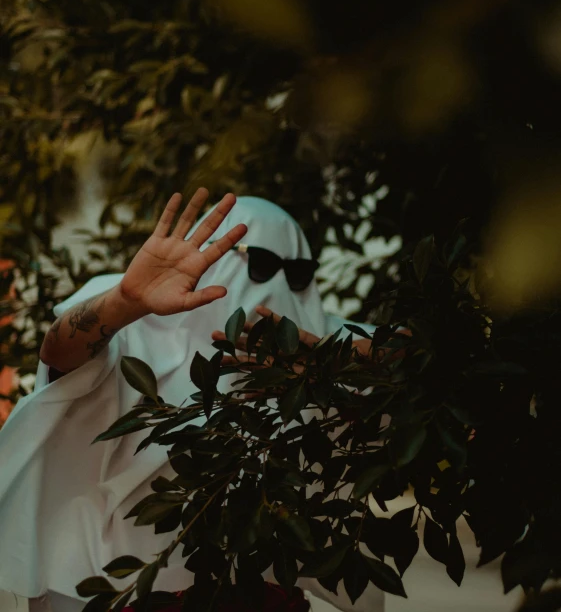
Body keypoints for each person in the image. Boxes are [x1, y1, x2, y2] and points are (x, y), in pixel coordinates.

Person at [0, 191, 382, 612]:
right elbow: (60, 352)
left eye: (298, 272)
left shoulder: (318, 344)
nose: (276, 287)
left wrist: (345, 360)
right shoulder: (131, 316)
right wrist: (125, 303)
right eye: (261, 264)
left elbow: (440, 359)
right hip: (119, 590)